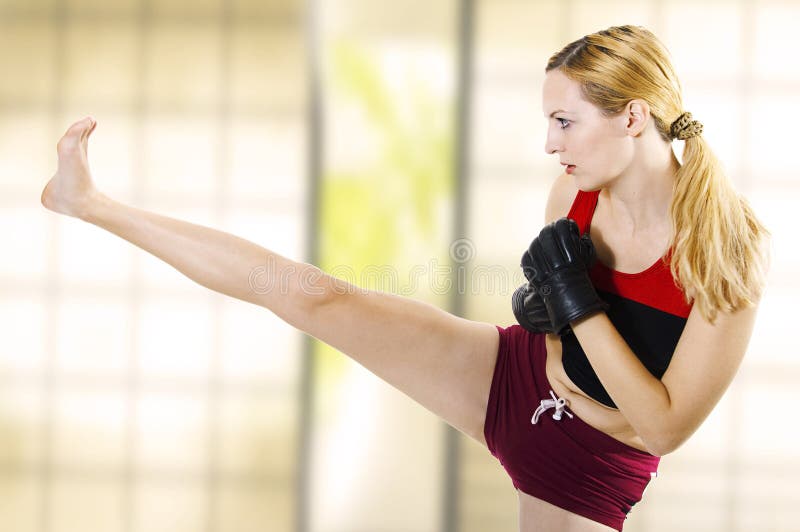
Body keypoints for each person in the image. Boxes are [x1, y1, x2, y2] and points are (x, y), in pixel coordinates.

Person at [40, 24, 770, 532]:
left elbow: (665, 427)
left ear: (634, 117)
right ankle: (89, 202)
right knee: (311, 296)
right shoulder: (572, 198)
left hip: (589, 466)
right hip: (510, 377)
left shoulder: (727, 249)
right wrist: (551, 327)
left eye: (565, 122)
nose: (550, 144)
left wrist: (579, 311)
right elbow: (558, 349)